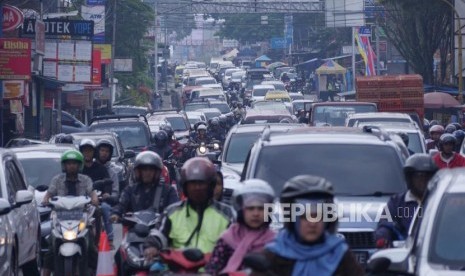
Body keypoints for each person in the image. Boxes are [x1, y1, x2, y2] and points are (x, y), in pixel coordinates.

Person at [250, 175, 363, 276]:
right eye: (304, 216)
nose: (312, 223)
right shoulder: (274, 254)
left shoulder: (339, 253)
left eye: (318, 216)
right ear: (292, 219)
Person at [143, 157, 235, 260]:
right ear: (185, 187)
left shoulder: (227, 214)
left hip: (215, 270)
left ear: (211, 186)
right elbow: (158, 234)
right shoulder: (172, 212)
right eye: (192, 184)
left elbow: (239, 242)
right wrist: (152, 246)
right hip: (177, 270)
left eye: (201, 183)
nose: (197, 188)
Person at [41, 149, 99, 276]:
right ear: (64, 165)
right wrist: (46, 200)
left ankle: (96, 271)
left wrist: (94, 199)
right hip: (60, 218)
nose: (71, 166)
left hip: (81, 217)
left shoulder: (86, 179)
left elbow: (92, 192)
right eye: (69, 163)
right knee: (51, 250)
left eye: (74, 163)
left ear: (79, 165)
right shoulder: (57, 180)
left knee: (91, 248)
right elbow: (49, 194)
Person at [205, 179, 276, 275]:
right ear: (241, 211)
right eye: (250, 208)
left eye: (261, 209)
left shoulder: (275, 242)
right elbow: (212, 269)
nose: (256, 214)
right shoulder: (227, 238)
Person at [375, 154, 438, 247]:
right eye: (419, 176)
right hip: (405, 251)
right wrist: (383, 237)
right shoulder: (396, 202)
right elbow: (385, 223)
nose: (423, 180)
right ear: (409, 178)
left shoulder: (439, 201)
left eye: (427, 176)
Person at [95, 139, 120, 244]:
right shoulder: (90, 167)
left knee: (105, 208)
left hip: (104, 201)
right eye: (102, 150)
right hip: (89, 201)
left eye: (107, 151)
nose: (104, 153)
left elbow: (115, 192)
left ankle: (110, 238)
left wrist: (108, 196)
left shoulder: (112, 172)